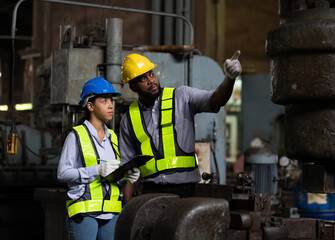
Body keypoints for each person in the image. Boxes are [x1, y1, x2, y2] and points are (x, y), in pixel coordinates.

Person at [119, 51, 242, 199]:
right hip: (150, 192)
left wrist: (230, 79)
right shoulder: (129, 118)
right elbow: (127, 168)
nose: (151, 80)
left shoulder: (182, 97)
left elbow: (216, 100)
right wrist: (126, 208)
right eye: (143, 79)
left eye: (151, 74)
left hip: (185, 191)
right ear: (133, 87)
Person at [57, 77, 140, 240]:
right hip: (85, 212)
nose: (111, 105)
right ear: (90, 105)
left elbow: (112, 178)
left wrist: (126, 178)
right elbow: (62, 174)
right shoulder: (76, 136)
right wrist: (96, 170)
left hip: (111, 212)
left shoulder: (113, 138)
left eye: (111, 101)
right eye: (104, 101)